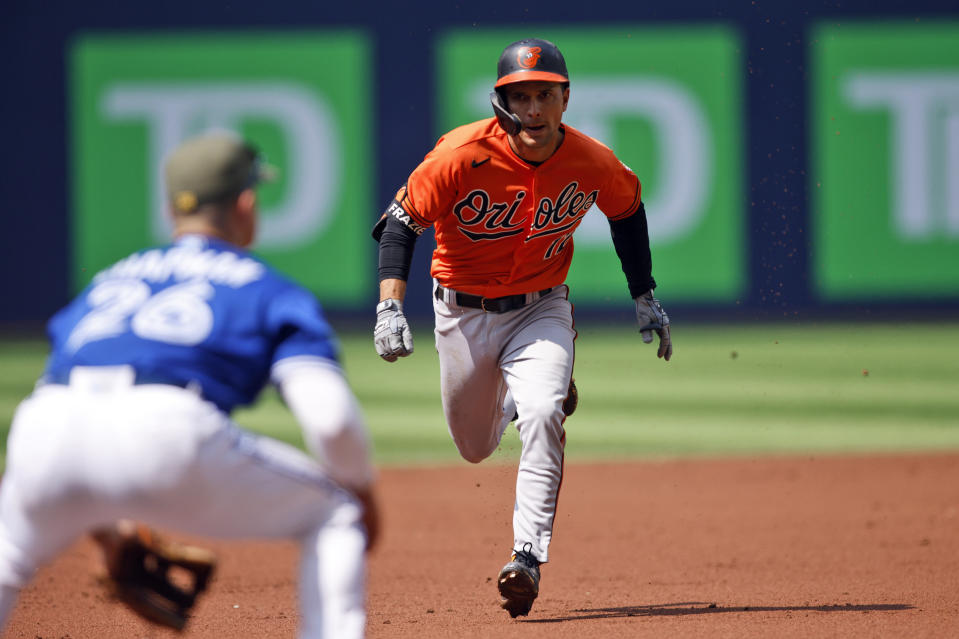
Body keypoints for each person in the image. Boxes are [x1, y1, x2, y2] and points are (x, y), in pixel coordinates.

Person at [0, 132, 379, 638]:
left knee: (7, 557)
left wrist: (108, 530)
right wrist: (363, 496)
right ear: (245, 203)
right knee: (336, 513)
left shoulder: (110, 281)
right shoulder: (263, 286)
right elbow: (330, 420)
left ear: (172, 207)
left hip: (43, 430)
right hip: (165, 430)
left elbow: (77, 426)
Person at [372, 37, 672, 618]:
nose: (533, 109)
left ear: (565, 99)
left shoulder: (591, 161)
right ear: (500, 103)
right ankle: (523, 395)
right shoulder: (459, 155)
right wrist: (390, 306)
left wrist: (644, 296)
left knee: (541, 412)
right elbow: (399, 224)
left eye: (545, 95)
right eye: (521, 96)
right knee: (474, 447)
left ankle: (527, 557)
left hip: (542, 308)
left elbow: (627, 212)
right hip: (460, 313)